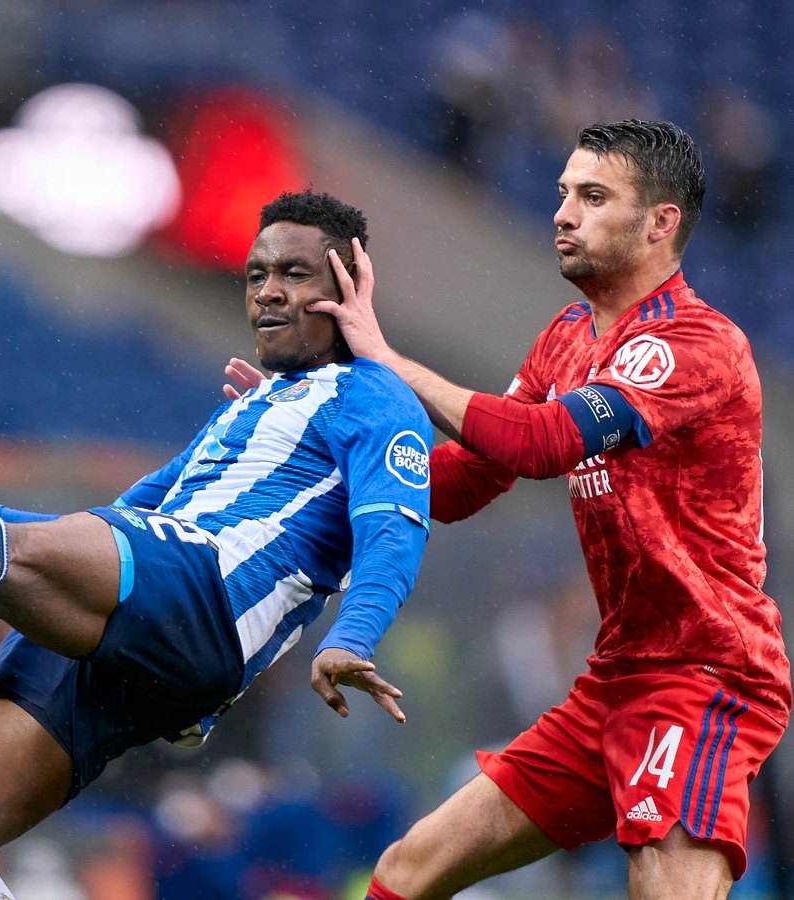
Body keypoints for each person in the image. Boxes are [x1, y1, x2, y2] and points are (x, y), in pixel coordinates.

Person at [227, 120, 792, 899]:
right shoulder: (565, 340)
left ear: (662, 223)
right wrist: (316, 441)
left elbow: (543, 442)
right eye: (563, 193)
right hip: (615, 683)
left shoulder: (695, 342)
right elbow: (462, 483)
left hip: (704, 677)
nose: (562, 213)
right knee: (404, 870)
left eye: (593, 197)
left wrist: (383, 362)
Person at [0, 190, 433, 898]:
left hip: (203, 600)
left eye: (295, 275)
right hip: (148, 633)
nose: (269, 292)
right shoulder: (242, 415)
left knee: (8, 554)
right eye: (255, 275)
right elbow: (68, 536)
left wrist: (353, 636)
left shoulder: (378, 396)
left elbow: (393, 527)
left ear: (350, 284)